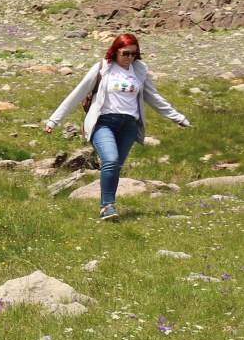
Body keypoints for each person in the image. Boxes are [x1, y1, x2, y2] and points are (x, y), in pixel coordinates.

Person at [45, 32, 190, 220]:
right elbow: (77, 93)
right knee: (111, 160)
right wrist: (54, 120)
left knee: (116, 166)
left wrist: (177, 117)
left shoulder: (139, 70)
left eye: (134, 54)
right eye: (125, 53)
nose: (129, 57)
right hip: (103, 123)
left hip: (128, 126)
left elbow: (154, 97)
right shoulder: (102, 68)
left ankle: (107, 206)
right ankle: (107, 206)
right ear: (115, 51)